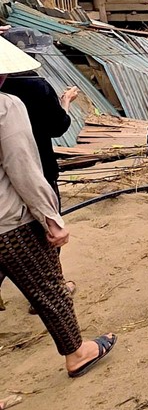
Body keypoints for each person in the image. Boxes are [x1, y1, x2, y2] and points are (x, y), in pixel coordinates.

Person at [0, 38, 116, 378]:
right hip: (9, 219)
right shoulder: (9, 105)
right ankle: (77, 353)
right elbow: (22, 167)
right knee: (49, 287)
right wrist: (51, 218)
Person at [0, 28, 79, 305]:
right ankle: (50, 290)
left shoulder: (4, 87)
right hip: (39, 168)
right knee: (47, 232)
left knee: (7, 236)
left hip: (3, 179)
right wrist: (65, 103)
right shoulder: (37, 86)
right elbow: (59, 127)